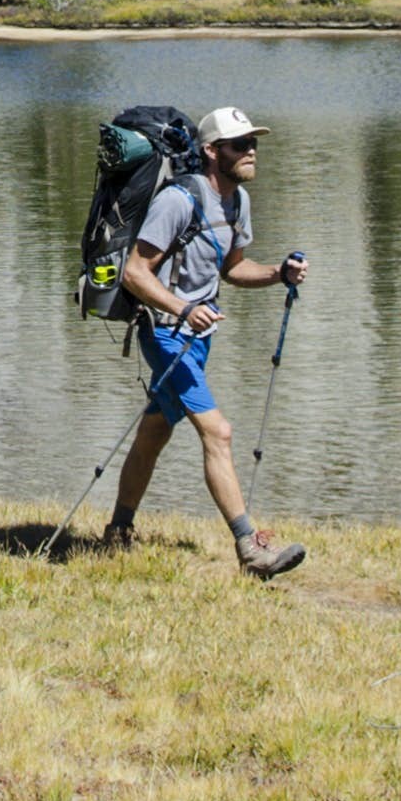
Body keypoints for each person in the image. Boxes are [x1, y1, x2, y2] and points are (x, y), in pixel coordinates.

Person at [102, 105, 308, 576]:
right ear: (212, 152)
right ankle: (250, 549)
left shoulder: (237, 202)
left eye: (254, 143)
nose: (252, 151)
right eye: (241, 145)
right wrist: (184, 309)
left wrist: (279, 272)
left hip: (198, 337)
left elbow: (232, 268)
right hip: (165, 333)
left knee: (155, 432)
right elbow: (135, 272)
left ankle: (118, 531)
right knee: (218, 431)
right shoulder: (178, 199)